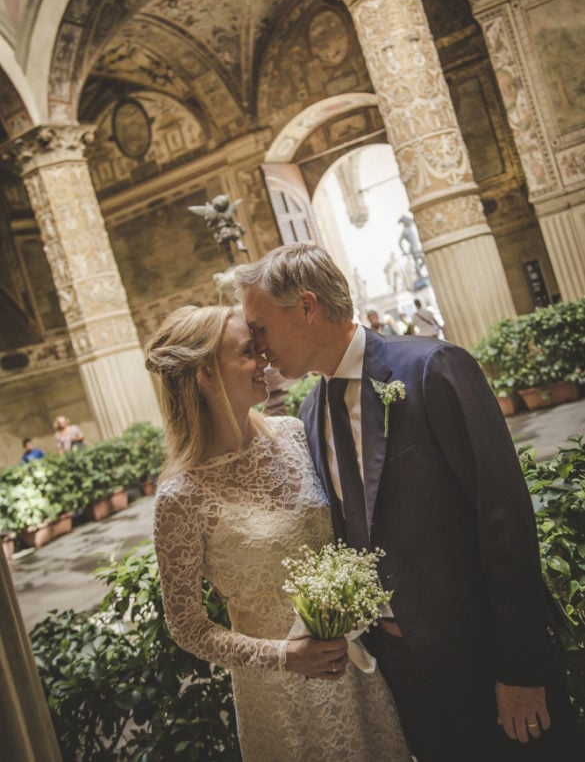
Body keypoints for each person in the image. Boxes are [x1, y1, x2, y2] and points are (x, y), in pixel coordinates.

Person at [235, 242, 582, 762]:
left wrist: (521, 669)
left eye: (260, 328)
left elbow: (504, 520)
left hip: (484, 658)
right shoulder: (311, 412)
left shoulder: (432, 369)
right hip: (400, 673)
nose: (259, 349)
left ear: (306, 307)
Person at [146, 305, 410, 762]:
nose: (265, 359)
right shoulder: (179, 497)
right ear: (206, 373)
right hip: (281, 693)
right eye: (248, 352)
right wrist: (284, 656)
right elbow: (186, 625)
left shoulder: (293, 434)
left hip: (356, 667)